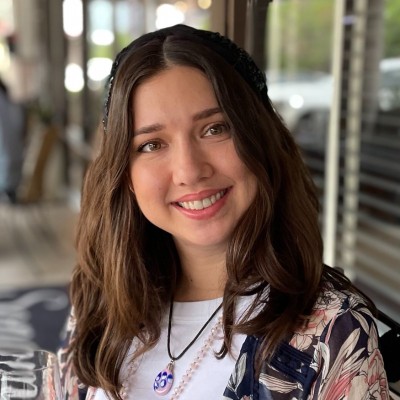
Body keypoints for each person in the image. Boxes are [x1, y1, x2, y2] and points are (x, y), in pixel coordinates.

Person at [58, 24, 388, 400]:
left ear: (261, 139)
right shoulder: (100, 303)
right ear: (124, 173)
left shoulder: (331, 331)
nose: (189, 171)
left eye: (215, 129)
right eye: (151, 145)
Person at [0, 77, 25, 204]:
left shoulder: (5, 101)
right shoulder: (8, 101)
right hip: (10, 144)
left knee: (7, 166)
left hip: (7, 143)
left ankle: (9, 191)